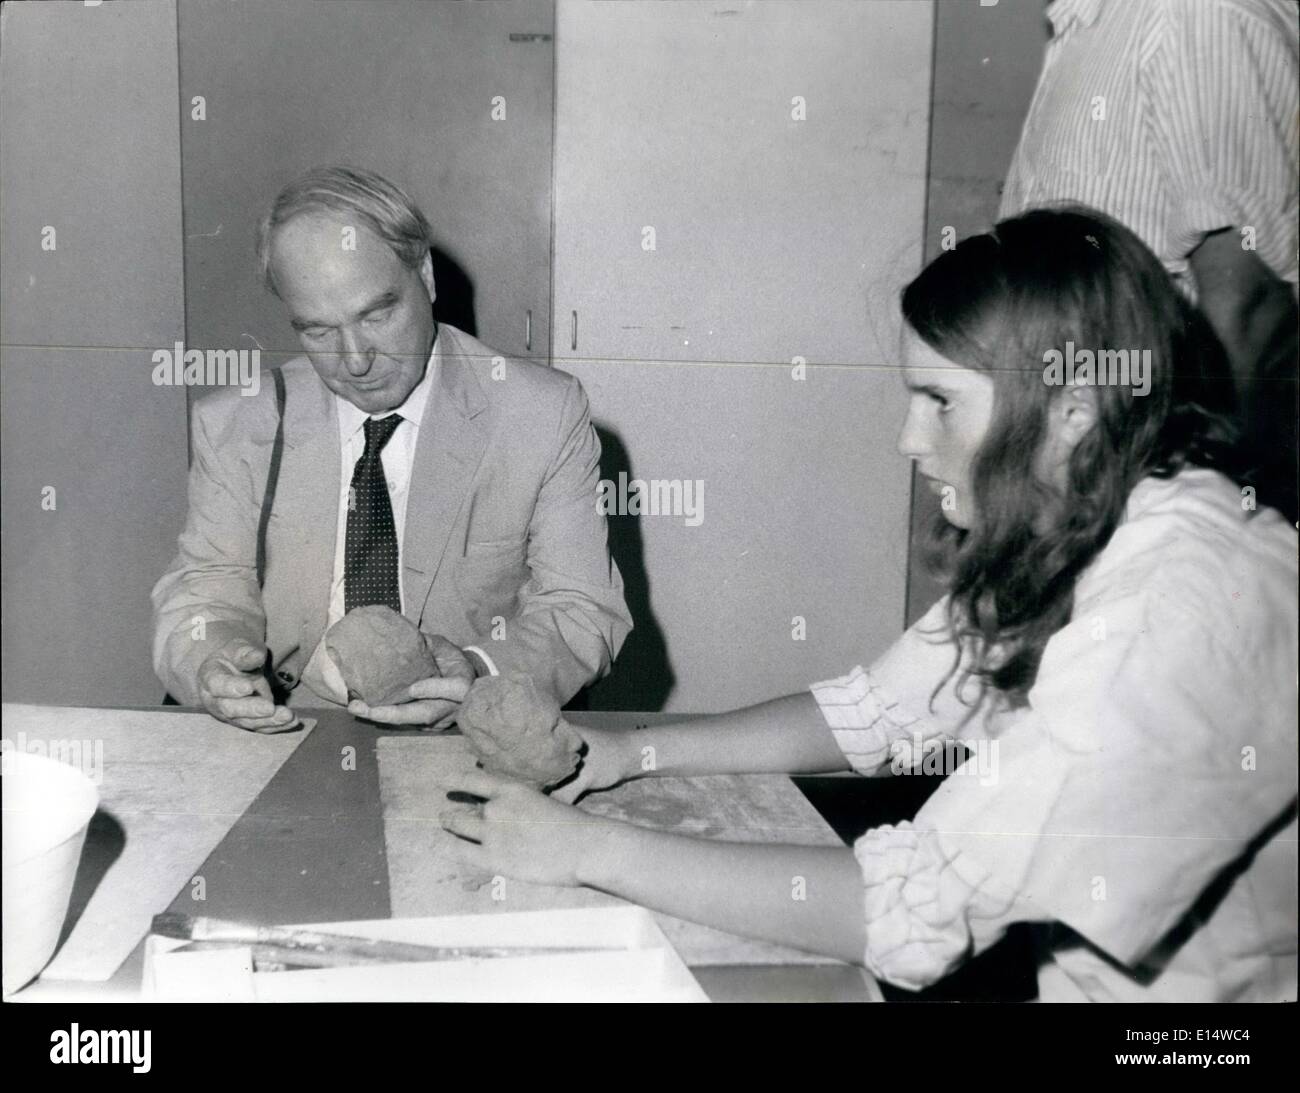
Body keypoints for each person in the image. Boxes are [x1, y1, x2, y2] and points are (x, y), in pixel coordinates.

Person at [440, 208, 1298, 1002]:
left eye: (941, 402)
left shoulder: (1176, 611)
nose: (908, 439)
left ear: (1073, 409)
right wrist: (633, 753)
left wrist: (583, 848)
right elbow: (874, 713)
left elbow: (907, 913)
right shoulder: (1091, 511)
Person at [153, 166, 631, 731]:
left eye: (377, 314)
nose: (355, 360)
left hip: (468, 718)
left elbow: (580, 609)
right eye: (316, 331)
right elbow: (207, 587)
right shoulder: (235, 423)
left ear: (425, 278)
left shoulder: (540, 413)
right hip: (287, 722)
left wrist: (476, 673)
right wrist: (212, 660)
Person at [999, 0, 1299, 522]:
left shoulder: (1197, 15)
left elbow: (1249, 310)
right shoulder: (1091, 24)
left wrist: (1203, 523)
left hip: (1151, 500)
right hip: (1090, 492)